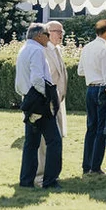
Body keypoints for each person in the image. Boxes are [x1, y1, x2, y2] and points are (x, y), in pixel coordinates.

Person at [15, 23, 62, 188]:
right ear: (39, 35)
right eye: (47, 34)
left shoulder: (23, 50)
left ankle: (26, 180)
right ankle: (50, 181)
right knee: (54, 141)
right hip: (39, 101)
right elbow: (37, 79)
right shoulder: (36, 51)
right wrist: (48, 96)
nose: (49, 38)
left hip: (27, 99)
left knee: (31, 142)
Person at [35, 20, 69, 187]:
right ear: (48, 32)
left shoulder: (57, 50)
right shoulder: (43, 51)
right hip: (46, 103)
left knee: (55, 141)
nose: (61, 35)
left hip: (57, 103)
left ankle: (52, 174)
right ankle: (40, 176)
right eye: (57, 31)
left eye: (62, 31)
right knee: (44, 143)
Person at [79, 18, 106, 175]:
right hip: (101, 88)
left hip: (90, 88)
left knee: (90, 128)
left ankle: (86, 165)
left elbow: (80, 71)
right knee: (101, 128)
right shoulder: (105, 50)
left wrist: (92, 72)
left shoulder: (87, 47)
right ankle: (95, 166)